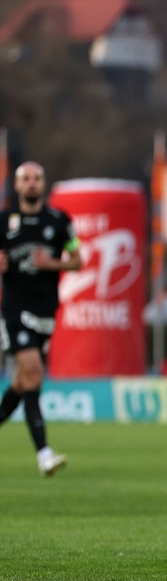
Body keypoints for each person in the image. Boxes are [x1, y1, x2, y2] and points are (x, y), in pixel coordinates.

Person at [0, 161, 82, 477]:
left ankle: (44, 452)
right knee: (33, 375)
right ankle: (44, 454)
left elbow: (78, 260)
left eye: (37, 178)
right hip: (14, 311)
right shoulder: (4, 221)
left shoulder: (59, 222)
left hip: (46, 312)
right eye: (25, 179)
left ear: (44, 183)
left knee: (22, 383)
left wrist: (52, 264)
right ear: (17, 186)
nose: (32, 183)